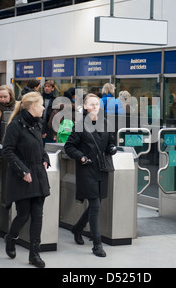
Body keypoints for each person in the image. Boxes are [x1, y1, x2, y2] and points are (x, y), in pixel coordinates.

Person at [64, 93, 117, 257]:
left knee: (97, 203)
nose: (95, 106)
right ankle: (97, 244)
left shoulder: (107, 124)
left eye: (97, 104)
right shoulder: (79, 125)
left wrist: (112, 148)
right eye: (92, 104)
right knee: (95, 205)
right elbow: (69, 146)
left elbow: (111, 143)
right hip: (87, 168)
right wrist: (80, 156)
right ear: (85, 107)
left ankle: (78, 228)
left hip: (102, 168)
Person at [2, 91, 50, 268]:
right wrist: (23, 170)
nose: (44, 107)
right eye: (42, 104)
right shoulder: (15, 125)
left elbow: (39, 147)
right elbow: (8, 150)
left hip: (38, 174)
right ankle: (11, 238)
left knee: (37, 216)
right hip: (22, 177)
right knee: (23, 215)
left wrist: (45, 158)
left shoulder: (37, 125)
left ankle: (34, 254)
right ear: (33, 106)